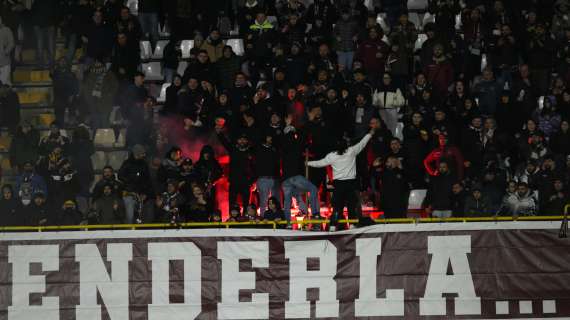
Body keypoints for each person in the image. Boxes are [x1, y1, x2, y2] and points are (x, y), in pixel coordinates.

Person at [308, 126, 375, 230]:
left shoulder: (332, 155)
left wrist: (308, 163)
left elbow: (319, 163)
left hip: (339, 184)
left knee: (337, 207)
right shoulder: (351, 151)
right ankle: (352, 225)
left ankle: (333, 226)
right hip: (350, 183)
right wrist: (370, 134)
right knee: (351, 205)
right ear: (347, 145)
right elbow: (362, 143)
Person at [0, 16, 14, 85]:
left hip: (5, 63)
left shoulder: (6, 30)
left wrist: (6, 52)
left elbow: (11, 43)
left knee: (5, 83)